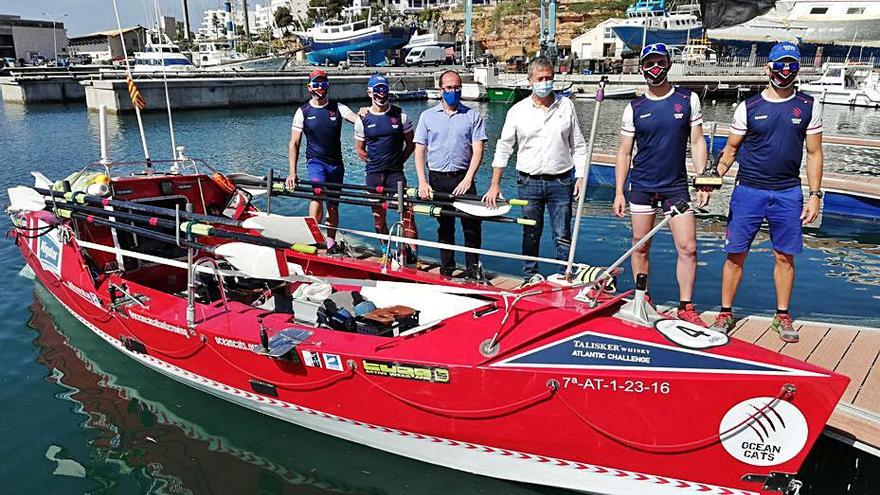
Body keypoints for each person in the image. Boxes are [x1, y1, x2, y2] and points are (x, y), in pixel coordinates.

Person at [709, 42, 824, 342]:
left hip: (788, 193)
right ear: (768, 67)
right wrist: (711, 180)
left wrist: (815, 195)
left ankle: (782, 316)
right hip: (748, 191)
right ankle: (725, 313)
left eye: (791, 66)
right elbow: (730, 150)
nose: (785, 71)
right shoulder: (748, 107)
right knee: (735, 254)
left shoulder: (809, 106)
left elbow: (814, 153)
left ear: (797, 69)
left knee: (784, 256)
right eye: (780, 65)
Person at [613, 43, 710, 326]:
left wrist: (703, 180)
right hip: (642, 185)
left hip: (675, 187)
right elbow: (624, 152)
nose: (655, 68)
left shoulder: (687, 99)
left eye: (660, 62)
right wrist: (619, 191)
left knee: (688, 247)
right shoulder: (634, 108)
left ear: (668, 64)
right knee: (640, 246)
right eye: (649, 63)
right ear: (642, 68)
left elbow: (697, 141)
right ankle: (643, 298)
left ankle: (686, 306)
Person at [484, 56, 588, 284]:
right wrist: (495, 183)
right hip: (528, 182)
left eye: (549, 78)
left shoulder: (566, 106)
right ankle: (530, 275)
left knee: (562, 233)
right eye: (540, 78)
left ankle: (565, 274)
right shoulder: (517, 111)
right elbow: (504, 147)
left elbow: (579, 145)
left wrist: (581, 176)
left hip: (561, 181)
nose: (545, 82)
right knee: (530, 231)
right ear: (530, 80)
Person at [414, 70, 488, 280]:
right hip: (437, 179)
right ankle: (447, 268)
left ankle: (472, 269)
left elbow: (478, 150)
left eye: (456, 87)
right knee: (445, 226)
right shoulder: (427, 117)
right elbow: (420, 150)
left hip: (463, 178)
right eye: (449, 88)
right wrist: (422, 181)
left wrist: (468, 178)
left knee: (471, 225)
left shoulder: (472, 116)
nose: (453, 91)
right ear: (441, 90)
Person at [286, 69, 357, 254]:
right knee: (317, 193)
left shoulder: (338, 107)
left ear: (328, 86)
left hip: (336, 164)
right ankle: (314, 238)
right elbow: (294, 143)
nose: (320, 88)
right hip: (315, 162)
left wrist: (366, 114)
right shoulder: (303, 112)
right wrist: (292, 172)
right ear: (309, 87)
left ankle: (331, 242)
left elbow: (357, 121)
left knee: (333, 204)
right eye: (316, 85)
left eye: (323, 84)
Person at [354, 74, 418, 260]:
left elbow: (411, 144)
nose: (381, 94)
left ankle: (412, 253)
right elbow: (360, 150)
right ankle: (385, 251)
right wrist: (375, 163)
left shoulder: (401, 116)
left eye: (384, 89)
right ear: (369, 92)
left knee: (407, 213)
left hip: (396, 174)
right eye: (377, 90)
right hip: (374, 174)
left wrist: (398, 161)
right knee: (378, 215)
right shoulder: (362, 119)